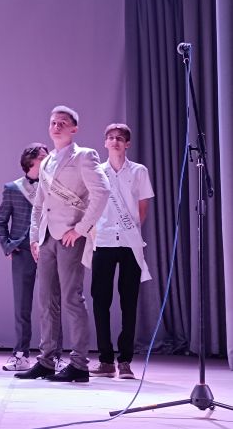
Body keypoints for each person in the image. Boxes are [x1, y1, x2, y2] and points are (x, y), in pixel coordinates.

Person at [16, 105, 110, 383]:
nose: (56, 126)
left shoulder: (84, 156)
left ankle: (79, 364)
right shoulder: (46, 161)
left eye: (62, 123)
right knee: (46, 301)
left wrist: (81, 229)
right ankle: (46, 361)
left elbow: (102, 192)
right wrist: (34, 237)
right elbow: (39, 204)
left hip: (70, 237)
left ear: (74, 129)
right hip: (47, 237)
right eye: (53, 122)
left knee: (71, 299)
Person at [89, 123, 154, 380]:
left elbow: (142, 207)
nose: (115, 141)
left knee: (129, 301)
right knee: (100, 301)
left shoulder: (139, 171)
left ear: (127, 143)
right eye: (110, 137)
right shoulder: (97, 172)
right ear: (105, 143)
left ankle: (125, 360)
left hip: (129, 242)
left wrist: (129, 230)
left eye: (120, 138)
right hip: (104, 241)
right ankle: (105, 360)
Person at [0, 143, 52, 371]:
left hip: (49, 248)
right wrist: (8, 246)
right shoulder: (13, 188)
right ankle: (20, 354)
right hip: (22, 251)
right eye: (43, 157)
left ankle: (53, 355)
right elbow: (1, 223)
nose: (47, 160)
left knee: (51, 304)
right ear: (30, 160)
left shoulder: (54, 187)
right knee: (22, 306)